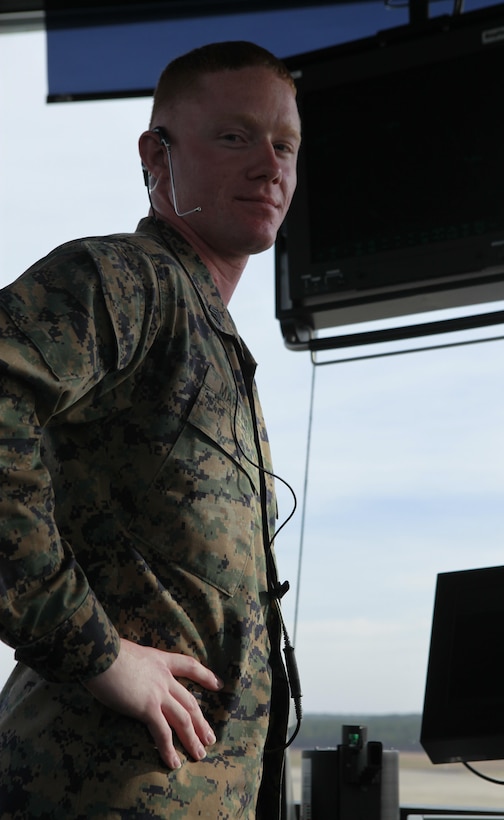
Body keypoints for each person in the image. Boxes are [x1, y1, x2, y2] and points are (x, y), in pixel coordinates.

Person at [0, 40, 301, 818]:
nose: (270, 167)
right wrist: (93, 652)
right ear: (155, 154)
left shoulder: (211, 333)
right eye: (235, 137)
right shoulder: (129, 279)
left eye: (285, 145)